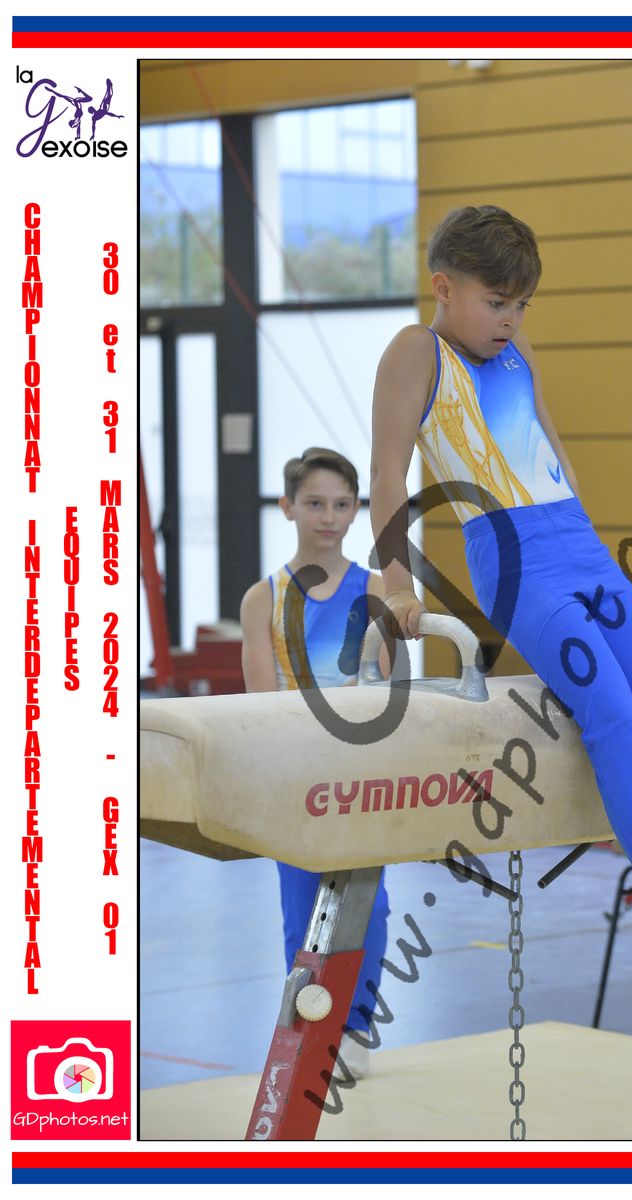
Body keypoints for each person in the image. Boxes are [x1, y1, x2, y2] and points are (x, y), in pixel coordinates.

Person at [370, 204, 632, 1003]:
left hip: (582, 549)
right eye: (495, 303)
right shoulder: (417, 351)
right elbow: (386, 473)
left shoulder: (518, 353)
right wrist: (398, 583)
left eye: (521, 306)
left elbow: (555, 457)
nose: (509, 321)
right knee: (612, 716)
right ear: (443, 288)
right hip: (515, 563)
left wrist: (613, 582)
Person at [240, 447, 390, 1078]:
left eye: (342, 504)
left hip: (361, 768)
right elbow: (261, 703)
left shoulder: (377, 591)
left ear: (356, 511)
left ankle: (354, 1027)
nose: (329, 517)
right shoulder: (263, 599)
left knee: (367, 904)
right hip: (297, 772)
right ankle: (306, 1022)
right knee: (302, 905)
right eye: (315, 503)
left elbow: (385, 687)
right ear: (288, 507)